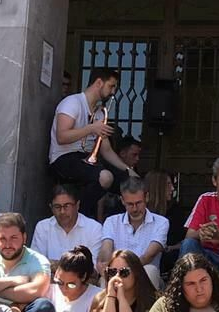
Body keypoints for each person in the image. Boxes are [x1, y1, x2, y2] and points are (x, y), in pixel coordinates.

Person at [49, 68, 134, 214]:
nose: (113, 92)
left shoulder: (100, 113)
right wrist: (91, 128)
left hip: (86, 158)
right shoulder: (72, 103)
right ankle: (76, 215)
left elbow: (106, 150)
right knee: (105, 178)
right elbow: (61, 137)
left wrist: (128, 170)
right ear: (99, 83)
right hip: (63, 157)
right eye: (111, 86)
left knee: (129, 185)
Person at [98, 175, 170, 288]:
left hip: (144, 273)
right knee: (105, 278)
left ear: (147, 197)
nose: (135, 209)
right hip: (118, 273)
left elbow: (148, 256)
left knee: (150, 270)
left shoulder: (161, 222)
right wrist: (104, 264)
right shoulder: (111, 221)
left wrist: (125, 272)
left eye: (138, 203)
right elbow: (106, 248)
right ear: (122, 201)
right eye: (130, 204)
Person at [0, 213, 54, 312]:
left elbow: (37, 290)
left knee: (43, 306)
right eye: (2, 239)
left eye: (14, 238)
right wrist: (13, 281)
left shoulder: (39, 261)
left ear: (24, 238)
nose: (8, 245)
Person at [31, 185, 103, 264]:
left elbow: (94, 269)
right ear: (51, 207)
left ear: (77, 205)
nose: (62, 211)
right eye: (57, 207)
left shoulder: (94, 228)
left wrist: (55, 265)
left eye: (67, 206)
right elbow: (36, 264)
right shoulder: (43, 227)